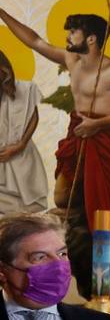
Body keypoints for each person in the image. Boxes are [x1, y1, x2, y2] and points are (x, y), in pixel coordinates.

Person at [0, 8, 110, 297]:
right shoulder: (73, 60)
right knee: (61, 195)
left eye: (73, 32)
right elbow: (34, 41)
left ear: (92, 38)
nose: (68, 37)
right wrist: (2, 14)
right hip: (80, 131)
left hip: (106, 137)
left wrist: (99, 124)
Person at [0, 52, 47, 215]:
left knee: (25, 209)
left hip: (22, 156)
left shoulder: (26, 89)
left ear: (3, 70)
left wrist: (21, 145)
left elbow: (34, 117)